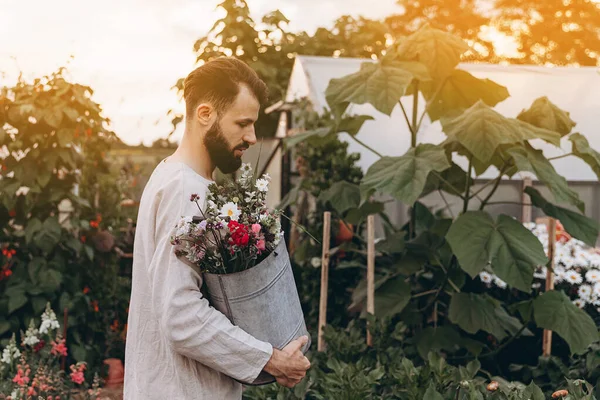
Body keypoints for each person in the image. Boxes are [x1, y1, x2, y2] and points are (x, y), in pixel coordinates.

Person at [124, 57, 311, 399]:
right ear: (205, 114)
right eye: (242, 123)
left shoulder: (177, 178)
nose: (252, 137)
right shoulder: (184, 190)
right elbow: (181, 316)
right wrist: (270, 359)